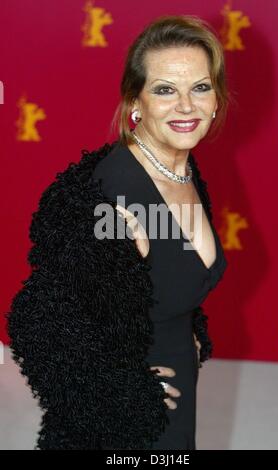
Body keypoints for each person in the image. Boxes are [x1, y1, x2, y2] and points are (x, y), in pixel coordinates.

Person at [6, 15, 229, 450]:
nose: (187, 106)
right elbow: (37, 322)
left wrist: (187, 326)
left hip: (174, 383)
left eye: (200, 87)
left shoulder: (180, 168)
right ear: (136, 101)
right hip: (124, 426)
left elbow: (160, 274)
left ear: (217, 98)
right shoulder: (114, 198)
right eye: (165, 89)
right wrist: (124, 394)